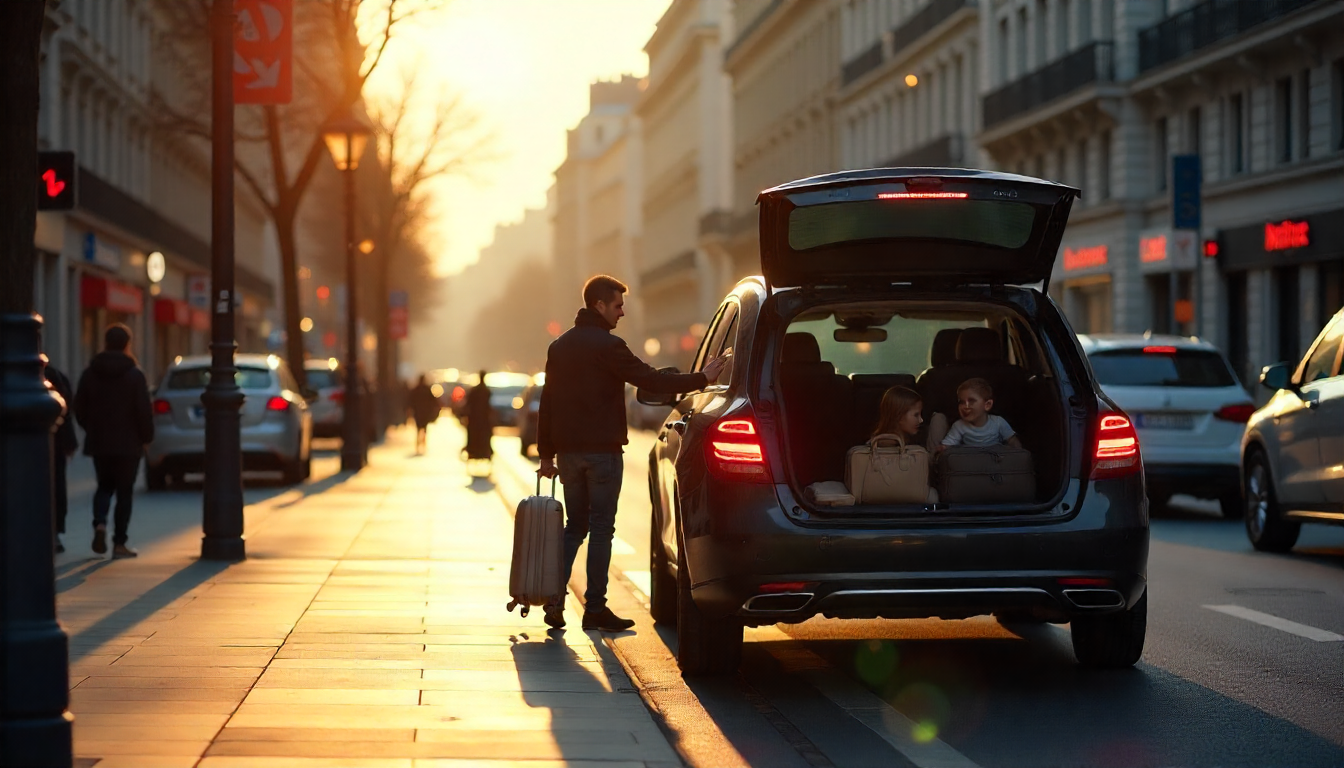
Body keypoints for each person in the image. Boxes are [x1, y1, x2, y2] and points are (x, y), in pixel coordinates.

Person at [537, 274, 727, 632]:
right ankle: (594, 608)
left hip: (569, 456)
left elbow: (547, 402)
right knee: (601, 528)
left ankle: (554, 599)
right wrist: (701, 378)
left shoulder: (558, 347)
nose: (622, 312)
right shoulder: (609, 346)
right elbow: (651, 379)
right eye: (618, 305)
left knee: (574, 526)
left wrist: (547, 455)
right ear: (599, 306)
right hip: (603, 455)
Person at [74, 324, 154, 558]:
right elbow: (143, 411)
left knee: (104, 486)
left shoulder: (90, 372)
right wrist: (146, 438)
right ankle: (119, 543)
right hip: (129, 444)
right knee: (124, 492)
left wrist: (91, 428)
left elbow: (79, 408)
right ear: (127, 344)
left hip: (100, 442)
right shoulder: (135, 374)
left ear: (105, 342)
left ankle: (99, 523)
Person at [934, 377, 1022, 451]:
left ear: (987, 405)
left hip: (996, 463)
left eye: (971, 401)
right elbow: (948, 446)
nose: (966, 406)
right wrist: (942, 448)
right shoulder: (959, 426)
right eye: (962, 402)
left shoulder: (999, 423)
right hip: (971, 466)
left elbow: (1014, 443)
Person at [45, 362, 78, 554]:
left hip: (52, 442)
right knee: (56, 484)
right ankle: (55, 531)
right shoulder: (54, 375)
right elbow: (68, 410)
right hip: (55, 443)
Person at [463, 370, 493, 467]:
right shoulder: (486, 391)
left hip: (476, 419)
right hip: (481, 419)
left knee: (476, 436)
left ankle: (474, 451)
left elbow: (468, 404)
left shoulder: (476, 390)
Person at [409, 374, 439, 454]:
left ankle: (418, 444)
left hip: (418, 412)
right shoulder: (427, 389)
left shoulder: (416, 389)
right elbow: (433, 400)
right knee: (425, 428)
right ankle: (424, 443)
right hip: (425, 412)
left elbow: (411, 400)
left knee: (418, 428)